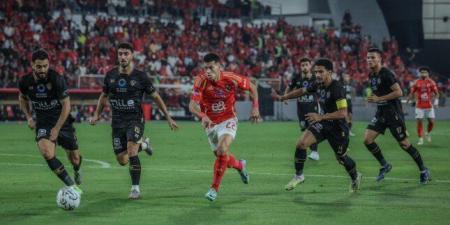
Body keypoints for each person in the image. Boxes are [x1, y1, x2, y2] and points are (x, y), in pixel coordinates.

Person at [89, 42, 178, 199]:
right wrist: (97, 114)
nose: (123, 56)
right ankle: (144, 145)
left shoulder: (141, 77)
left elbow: (156, 97)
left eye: (126, 54)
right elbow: (104, 96)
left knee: (131, 151)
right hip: (117, 122)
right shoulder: (110, 75)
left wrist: (168, 117)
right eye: (120, 53)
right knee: (122, 160)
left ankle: (135, 189)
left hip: (135, 120)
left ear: (132, 55)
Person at [272, 58, 362, 192]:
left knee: (341, 158)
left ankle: (355, 176)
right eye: (316, 72)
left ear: (329, 72)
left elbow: (343, 113)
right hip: (323, 124)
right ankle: (299, 176)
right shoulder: (317, 84)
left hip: (338, 129)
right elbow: (302, 91)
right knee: (301, 144)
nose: (318, 75)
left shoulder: (337, 88)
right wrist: (284, 97)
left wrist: (320, 116)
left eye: (321, 72)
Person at [188, 53, 260, 201]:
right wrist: (203, 116)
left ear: (219, 66)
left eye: (211, 67)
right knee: (222, 156)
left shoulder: (231, 78)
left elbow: (252, 87)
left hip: (228, 119)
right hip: (210, 123)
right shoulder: (200, 81)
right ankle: (240, 165)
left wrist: (256, 108)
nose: (208, 71)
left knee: (222, 149)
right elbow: (192, 106)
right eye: (206, 68)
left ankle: (214, 189)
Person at [18, 49, 82, 194]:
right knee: (47, 152)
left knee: (75, 159)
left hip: (62, 121)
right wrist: (28, 116)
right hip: (43, 122)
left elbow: (66, 105)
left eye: (45, 66)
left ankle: (77, 170)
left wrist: (57, 128)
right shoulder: (25, 81)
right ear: (32, 65)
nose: (42, 70)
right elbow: (22, 98)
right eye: (39, 66)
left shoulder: (56, 79)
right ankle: (72, 187)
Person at [364, 48, 430, 184]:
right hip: (381, 112)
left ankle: (423, 170)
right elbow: (379, 94)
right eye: (368, 57)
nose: (369, 60)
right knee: (367, 139)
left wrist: (379, 98)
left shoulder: (387, 74)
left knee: (405, 144)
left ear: (380, 59)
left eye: (372, 57)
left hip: (393, 114)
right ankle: (384, 165)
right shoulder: (371, 75)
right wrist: (374, 98)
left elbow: (399, 92)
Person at [285, 58, 320, 160]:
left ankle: (315, 152)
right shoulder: (296, 78)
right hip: (301, 109)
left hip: (312, 108)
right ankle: (307, 148)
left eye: (306, 65)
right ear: (300, 67)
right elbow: (289, 87)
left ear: (310, 66)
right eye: (302, 65)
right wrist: (286, 97)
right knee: (304, 129)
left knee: (312, 129)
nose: (304, 67)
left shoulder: (315, 78)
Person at [407, 67, 439, 145]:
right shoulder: (416, 82)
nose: (423, 73)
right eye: (422, 72)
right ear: (420, 73)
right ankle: (420, 138)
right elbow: (412, 92)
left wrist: (436, 102)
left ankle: (427, 133)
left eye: (425, 72)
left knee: (431, 122)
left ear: (428, 73)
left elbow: (437, 93)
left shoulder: (431, 82)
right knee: (419, 122)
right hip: (419, 106)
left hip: (429, 105)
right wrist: (408, 99)